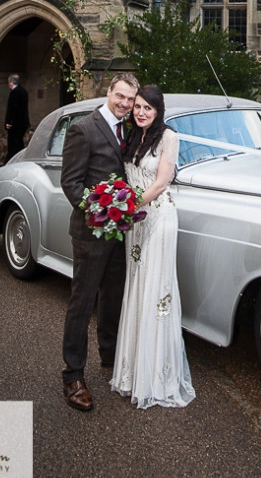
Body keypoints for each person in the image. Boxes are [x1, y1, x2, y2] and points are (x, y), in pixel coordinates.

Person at [110, 84, 195, 409]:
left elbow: (162, 181)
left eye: (148, 108)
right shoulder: (132, 137)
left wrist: (129, 207)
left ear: (158, 111)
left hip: (158, 218)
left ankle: (157, 375)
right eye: (138, 107)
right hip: (136, 221)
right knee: (137, 287)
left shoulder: (168, 137)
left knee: (155, 288)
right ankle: (133, 371)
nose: (141, 112)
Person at [60, 71, 139, 412]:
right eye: (120, 96)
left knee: (113, 297)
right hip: (91, 231)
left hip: (121, 232)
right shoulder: (83, 128)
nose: (125, 104)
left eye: (130, 100)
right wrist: (100, 211)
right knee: (83, 300)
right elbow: (72, 183)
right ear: (109, 92)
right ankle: (73, 374)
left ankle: (110, 356)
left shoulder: (132, 129)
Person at [4, 74, 30, 163]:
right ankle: (19, 161)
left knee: (13, 144)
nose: (8, 84)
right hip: (22, 123)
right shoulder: (23, 91)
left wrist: (9, 122)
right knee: (18, 143)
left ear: (11, 82)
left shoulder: (15, 92)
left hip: (15, 124)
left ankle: (10, 162)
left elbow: (13, 109)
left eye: (9, 82)